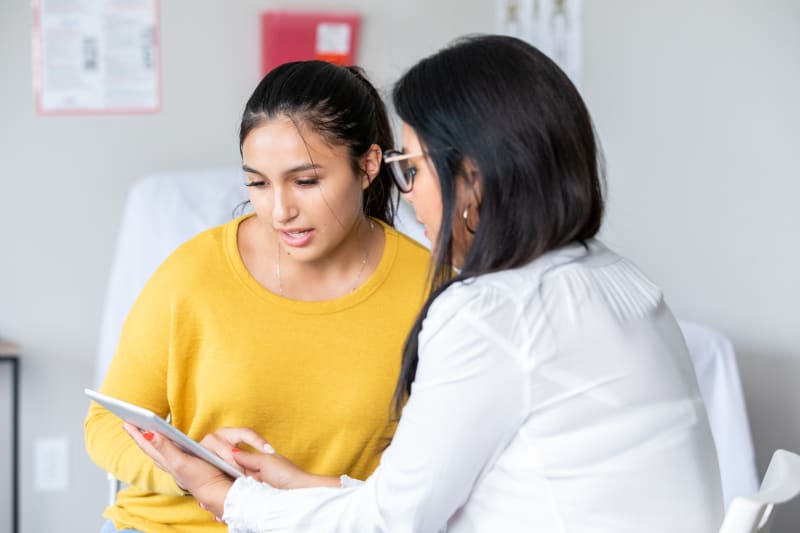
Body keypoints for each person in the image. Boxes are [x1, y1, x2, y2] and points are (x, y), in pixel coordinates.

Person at [124, 35, 725, 532]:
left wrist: (220, 495)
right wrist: (301, 482)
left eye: (410, 168)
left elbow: (391, 524)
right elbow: (427, 497)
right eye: (258, 184)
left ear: (472, 178)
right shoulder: (623, 282)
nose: (408, 198)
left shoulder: (491, 312)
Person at [84, 60, 431, 533]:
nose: (281, 210)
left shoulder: (431, 292)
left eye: (306, 181)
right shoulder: (195, 271)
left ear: (368, 166)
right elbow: (105, 425)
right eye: (258, 184)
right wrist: (191, 471)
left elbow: (427, 478)